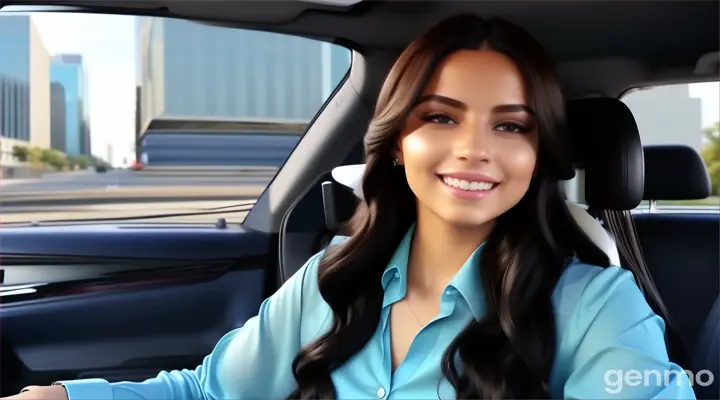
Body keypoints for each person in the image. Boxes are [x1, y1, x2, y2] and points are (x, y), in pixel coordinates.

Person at [5, 14, 696, 400]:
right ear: (398, 144)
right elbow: (209, 394)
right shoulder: (332, 279)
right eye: (441, 118)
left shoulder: (598, 307)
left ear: (539, 154)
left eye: (510, 125)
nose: (475, 150)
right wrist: (64, 398)